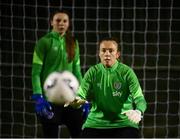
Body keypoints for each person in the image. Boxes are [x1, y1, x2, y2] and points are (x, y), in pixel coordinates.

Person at [72, 37, 147, 138]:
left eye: (111, 51)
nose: (107, 54)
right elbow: (80, 95)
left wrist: (139, 111)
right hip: (95, 124)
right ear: (99, 54)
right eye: (103, 50)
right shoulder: (92, 72)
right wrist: (76, 101)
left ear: (117, 54)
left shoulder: (127, 73)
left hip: (124, 124)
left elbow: (140, 98)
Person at [31, 10, 85, 138]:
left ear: (68, 23)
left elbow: (77, 72)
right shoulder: (44, 42)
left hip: (71, 99)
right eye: (58, 20)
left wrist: (83, 95)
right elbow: (36, 72)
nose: (61, 23)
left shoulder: (73, 42)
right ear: (51, 22)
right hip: (49, 100)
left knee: (80, 134)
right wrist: (39, 97)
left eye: (65, 21)